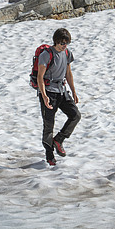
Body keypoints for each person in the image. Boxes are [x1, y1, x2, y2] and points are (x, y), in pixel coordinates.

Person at [37, 27, 80, 166]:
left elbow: (69, 73)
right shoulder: (46, 54)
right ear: (56, 41)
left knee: (75, 115)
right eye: (62, 43)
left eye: (66, 43)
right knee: (48, 126)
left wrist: (73, 91)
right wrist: (44, 95)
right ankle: (50, 157)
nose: (64, 46)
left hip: (62, 90)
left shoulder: (67, 53)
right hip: (49, 91)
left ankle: (59, 139)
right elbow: (40, 77)